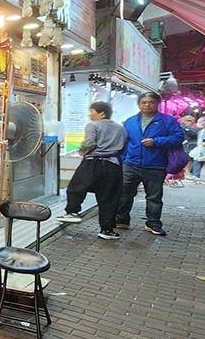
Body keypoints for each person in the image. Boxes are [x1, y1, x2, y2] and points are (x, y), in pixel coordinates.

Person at [115, 92, 184, 236]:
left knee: (153, 197)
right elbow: (125, 142)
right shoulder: (131, 121)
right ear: (139, 104)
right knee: (124, 193)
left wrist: (156, 141)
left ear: (157, 104)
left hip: (156, 165)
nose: (147, 105)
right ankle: (122, 220)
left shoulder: (167, 121)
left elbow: (178, 138)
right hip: (131, 164)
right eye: (144, 102)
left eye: (151, 102)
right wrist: (124, 159)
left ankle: (153, 224)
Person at [57, 101, 128, 240]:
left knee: (76, 187)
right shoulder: (121, 128)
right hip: (114, 165)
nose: (90, 116)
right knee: (109, 196)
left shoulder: (93, 125)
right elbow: (124, 146)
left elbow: (89, 143)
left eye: (92, 112)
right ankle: (107, 230)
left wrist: (81, 152)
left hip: (93, 162)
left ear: (102, 113)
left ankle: (72, 212)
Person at [177, 115, 198, 185]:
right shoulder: (183, 127)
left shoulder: (192, 127)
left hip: (192, 144)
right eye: (189, 121)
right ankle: (187, 172)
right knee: (188, 158)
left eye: (191, 121)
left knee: (191, 158)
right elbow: (193, 134)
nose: (190, 122)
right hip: (187, 144)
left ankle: (187, 172)